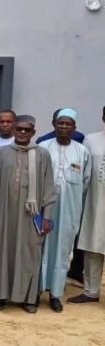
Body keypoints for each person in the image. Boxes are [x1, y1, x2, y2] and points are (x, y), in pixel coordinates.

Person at [0, 115, 56, 313]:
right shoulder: (1, 153)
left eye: (26, 130)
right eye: (18, 129)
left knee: (30, 254)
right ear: (13, 130)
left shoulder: (42, 155)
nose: (22, 132)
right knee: (2, 253)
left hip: (31, 216)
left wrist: (47, 217)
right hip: (4, 214)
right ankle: (1, 296)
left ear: (33, 132)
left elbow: (49, 188)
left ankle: (28, 298)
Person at [38, 109, 91, 312]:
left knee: (62, 251)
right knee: (40, 248)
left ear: (74, 128)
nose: (63, 127)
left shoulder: (82, 152)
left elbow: (85, 182)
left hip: (69, 209)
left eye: (68, 124)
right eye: (60, 123)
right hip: (44, 208)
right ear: (54, 125)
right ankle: (35, 291)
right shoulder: (43, 147)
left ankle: (55, 294)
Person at [68, 106, 105, 304]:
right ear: (103, 117)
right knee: (92, 247)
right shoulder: (92, 139)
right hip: (94, 202)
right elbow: (82, 167)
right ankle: (91, 291)